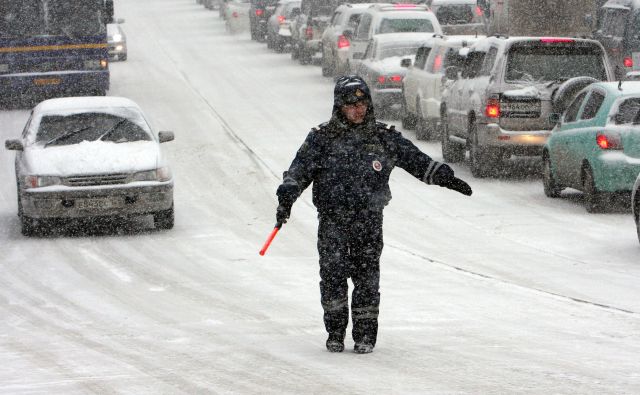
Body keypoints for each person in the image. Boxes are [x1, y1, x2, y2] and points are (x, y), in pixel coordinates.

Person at [275, 75, 472, 354]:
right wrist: (286, 198)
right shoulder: (321, 139)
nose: (358, 110)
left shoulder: (383, 137)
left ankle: (365, 336)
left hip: (368, 221)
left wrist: (444, 177)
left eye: (363, 103)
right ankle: (335, 332)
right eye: (351, 105)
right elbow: (298, 171)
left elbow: (416, 161)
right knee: (332, 276)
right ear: (339, 107)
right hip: (333, 221)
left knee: (367, 278)